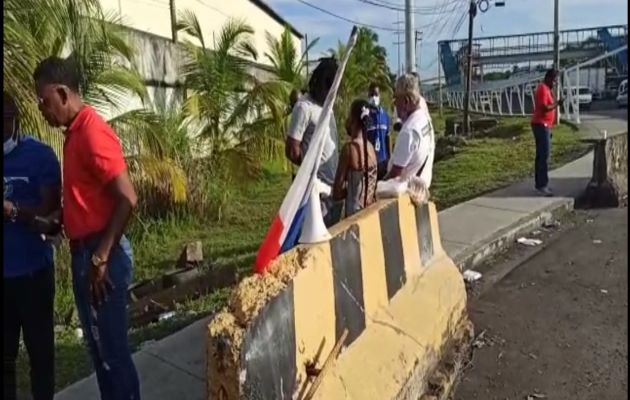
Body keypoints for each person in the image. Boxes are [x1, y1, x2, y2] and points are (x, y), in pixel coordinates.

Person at [33, 56, 141, 400]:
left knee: (113, 356)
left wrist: (100, 257)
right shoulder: (73, 133)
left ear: (62, 93)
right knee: (100, 353)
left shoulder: (92, 132)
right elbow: (91, 197)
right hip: (87, 254)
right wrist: (62, 218)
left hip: (100, 259)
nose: (42, 110)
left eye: (44, 101)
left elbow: (127, 198)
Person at [3, 93, 61, 400]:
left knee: (41, 358)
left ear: (15, 120)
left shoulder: (40, 157)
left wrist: (13, 211)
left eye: (4, 121)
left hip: (33, 275)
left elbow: (50, 218)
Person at [285, 57, 341, 226]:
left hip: (333, 189)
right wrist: (311, 171)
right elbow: (291, 151)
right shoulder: (304, 107)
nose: (330, 92)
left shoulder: (327, 106)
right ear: (318, 82)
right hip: (315, 191)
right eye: (327, 87)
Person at [384, 73, 435, 189]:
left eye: (396, 99)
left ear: (406, 101)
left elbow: (395, 174)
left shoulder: (409, 132)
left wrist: (378, 187)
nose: (395, 104)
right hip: (421, 190)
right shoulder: (424, 118)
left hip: (405, 196)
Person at [333, 99, 378, 217]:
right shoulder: (371, 148)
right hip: (370, 211)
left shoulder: (348, 149)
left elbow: (337, 192)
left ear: (352, 119)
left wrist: (351, 192)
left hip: (354, 214)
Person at [531, 69, 564, 197]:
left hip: (544, 125)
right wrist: (557, 104)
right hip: (541, 124)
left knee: (541, 155)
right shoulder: (543, 89)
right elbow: (545, 107)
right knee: (544, 155)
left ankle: (539, 184)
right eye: (554, 80)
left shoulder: (547, 89)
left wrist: (554, 93)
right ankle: (542, 185)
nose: (555, 83)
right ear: (549, 78)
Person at [366, 83, 391, 180]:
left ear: (379, 95)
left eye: (376, 94)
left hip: (383, 161)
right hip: (370, 163)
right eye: (371, 95)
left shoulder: (385, 116)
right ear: (368, 96)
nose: (374, 97)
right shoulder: (366, 117)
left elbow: (388, 137)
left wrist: (390, 158)